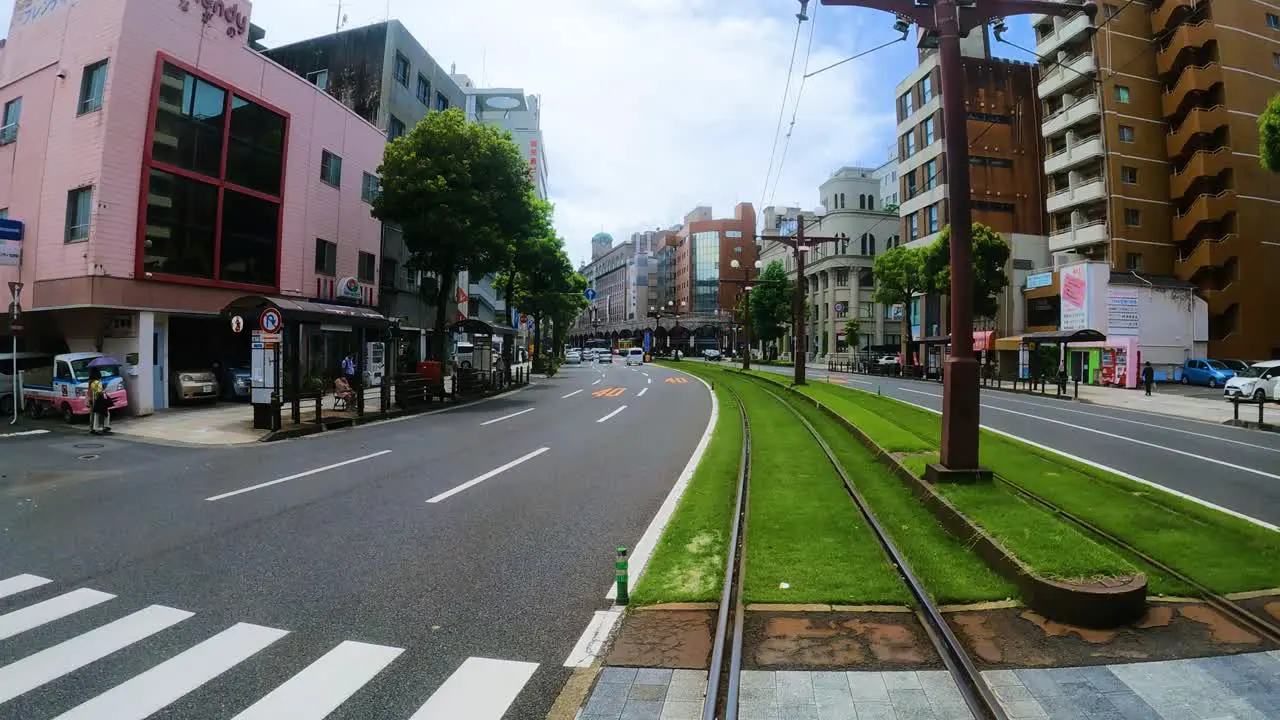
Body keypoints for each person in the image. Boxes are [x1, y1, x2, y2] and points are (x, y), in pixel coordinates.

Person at [88, 368, 111, 435]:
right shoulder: (98, 382)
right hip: (100, 399)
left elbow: (92, 391)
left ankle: (95, 428)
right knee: (106, 412)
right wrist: (103, 389)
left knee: (96, 414)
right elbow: (100, 391)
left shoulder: (91, 383)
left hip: (94, 399)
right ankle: (105, 426)